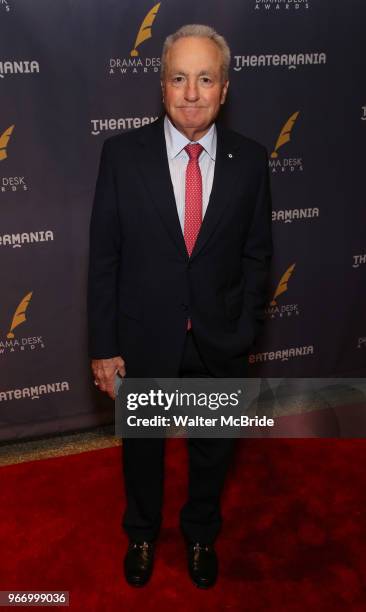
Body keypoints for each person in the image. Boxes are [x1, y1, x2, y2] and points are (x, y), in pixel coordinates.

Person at [87, 24, 272, 589]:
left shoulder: (251, 160)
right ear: (162, 87)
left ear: (224, 89)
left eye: (205, 78)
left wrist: (243, 333)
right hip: (144, 338)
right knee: (141, 449)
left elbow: (258, 257)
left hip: (220, 340)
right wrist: (104, 347)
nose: (192, 92)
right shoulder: (121, 155)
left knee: (214, 452)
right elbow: (104, 258)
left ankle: (200, 534)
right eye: (179, 78)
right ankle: (142, 531)